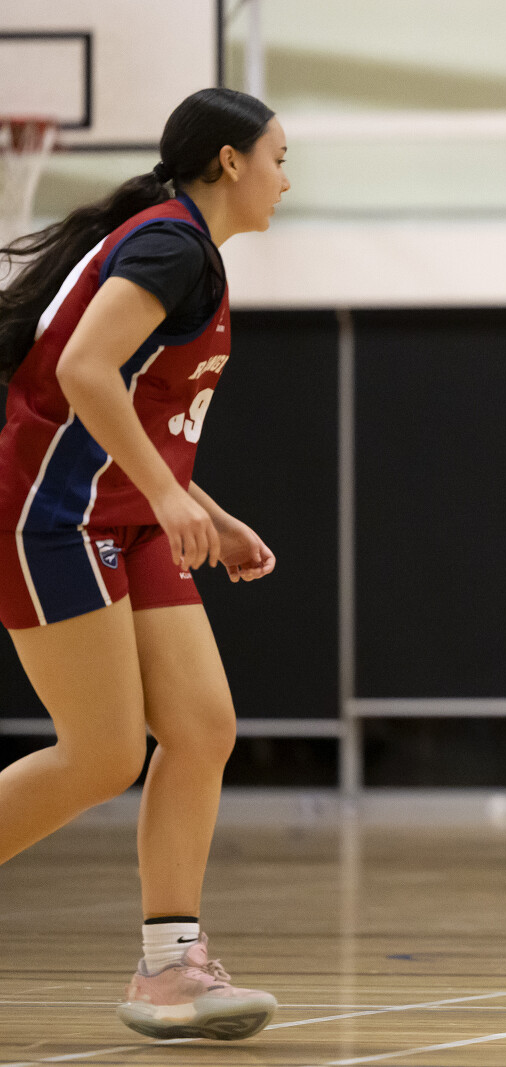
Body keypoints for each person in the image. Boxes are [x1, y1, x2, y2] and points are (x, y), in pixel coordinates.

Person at [0, 87, 291, 1041]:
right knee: (103, 754)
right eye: (278, 158)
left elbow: (143, 415)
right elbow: (83, 370)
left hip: (125, 514)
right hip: (55, 514)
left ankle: (171, 969)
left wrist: (206, 509)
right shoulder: (170, 246)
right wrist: (171, 499)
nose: (286, 180)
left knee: (202, 727)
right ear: (229, 162)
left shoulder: (187, 249)